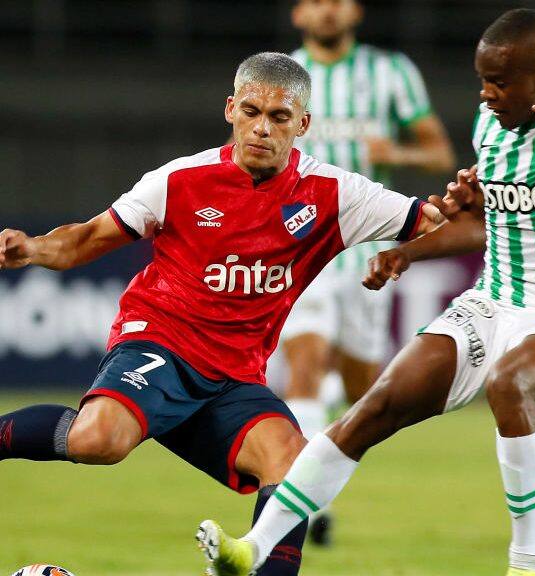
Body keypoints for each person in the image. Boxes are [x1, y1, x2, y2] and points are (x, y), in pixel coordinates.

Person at [199, 9, 535, 576]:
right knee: (373, 407)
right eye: (483, 80)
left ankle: (530, 559)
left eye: (499, 82)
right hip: (491, 303)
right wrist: (408, 252)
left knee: (509, 383)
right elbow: (487, 224)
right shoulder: (490, 125)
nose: (486, 94)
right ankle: (253, 549)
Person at [0, 52, 440, 576]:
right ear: (231, 109)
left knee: (293, 467)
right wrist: (34, 248)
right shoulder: (180, 180)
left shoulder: (335, 194)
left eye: (279, 117)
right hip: (161, 344)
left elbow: (433, 222)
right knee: (100, 440)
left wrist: (483, 200)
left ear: (303, 124)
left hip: (233, 376)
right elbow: (87, 239)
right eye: (251, 112)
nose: (262, 128)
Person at [279, 2, 454, 546]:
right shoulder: (281, 75)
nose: (328, 10)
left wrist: (396, 151)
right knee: (304, 364)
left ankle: (329, 402)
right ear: (299, 12)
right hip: (299, 248)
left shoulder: (390, 72)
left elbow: (439, 152)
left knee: (362, 389)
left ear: (355, 9)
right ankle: (308, 507)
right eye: (317, 0)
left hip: (366, 253)